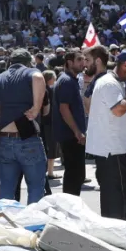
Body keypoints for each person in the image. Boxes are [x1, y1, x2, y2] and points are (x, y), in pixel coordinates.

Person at [0, 52, 47, 204]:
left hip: (5, 139)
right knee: (35, 187)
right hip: (28, 139)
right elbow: (39, 78)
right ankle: (32, 225)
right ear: (28, 62)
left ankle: (5, 224)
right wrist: (35, 108)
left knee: (6, 188)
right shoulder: (29, 72)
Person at [87, 49, 126, 219]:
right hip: (112, 150)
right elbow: (118, 109)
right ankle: (117, 237)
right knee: (118, 200)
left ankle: (115, 234)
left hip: (113, 149)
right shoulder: (109, 83)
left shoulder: (112, 82)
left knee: (117, 198)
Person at [53, 49, 88, 196]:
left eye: (83, 59)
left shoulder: (71, 80)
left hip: (72, 135)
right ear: (69, 62)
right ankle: (69, 209)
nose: (83, 63)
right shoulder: (66, 81)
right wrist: (77, 131)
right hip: (70, 136)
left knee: (77, 175)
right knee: (74, 175)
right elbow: (64, 108)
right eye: (79, 60)